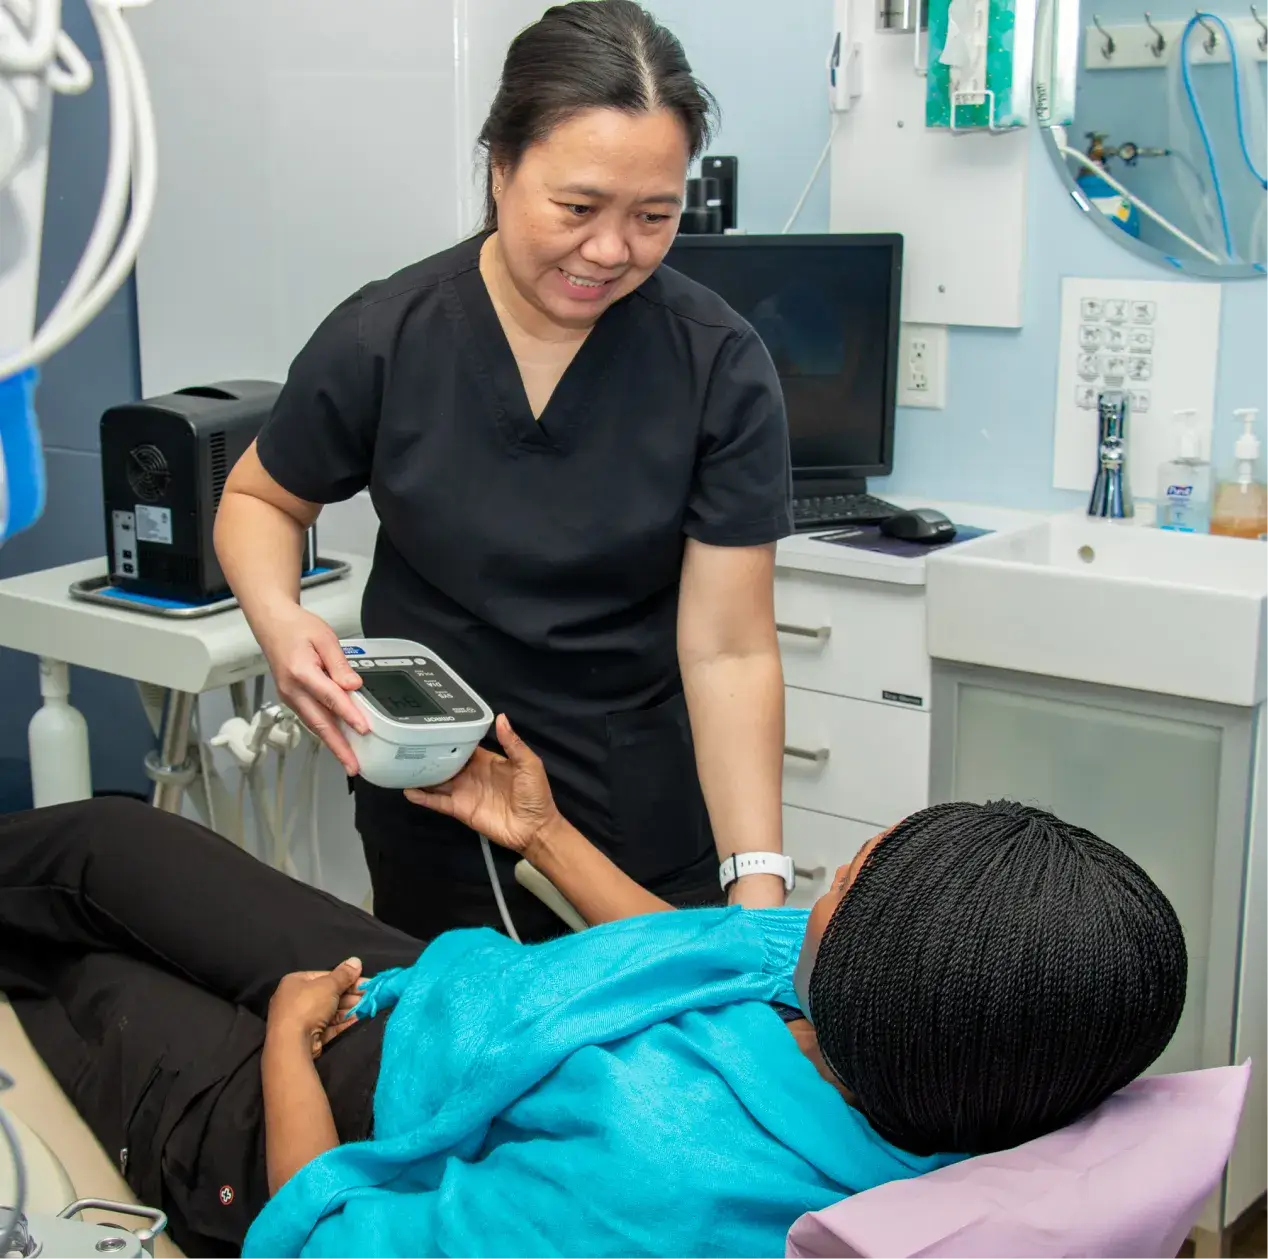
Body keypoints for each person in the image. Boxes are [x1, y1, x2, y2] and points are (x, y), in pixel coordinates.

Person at [0, 723, 1186, 1259]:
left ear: (863, 971)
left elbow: (334, 1241)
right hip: (441, 996)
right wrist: (540, 833)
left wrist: (283, 1049)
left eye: (842, 881)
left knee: (70, 975)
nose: (815, 891)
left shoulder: (652, 1192)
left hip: (312, 1120)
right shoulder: (931, 1046)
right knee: (104, 842)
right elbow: (698, 950)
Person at [213, 0, 795, 943]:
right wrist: (280, 623)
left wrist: (757, 887)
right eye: (577, 208)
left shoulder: (718, 368)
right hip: (434, 792)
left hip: (637, 813)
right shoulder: (386, 337)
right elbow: (259, 499)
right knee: (451, 1065)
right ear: (499, 167)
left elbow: (728, 647)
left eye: (654, 216)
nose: (611, 251)